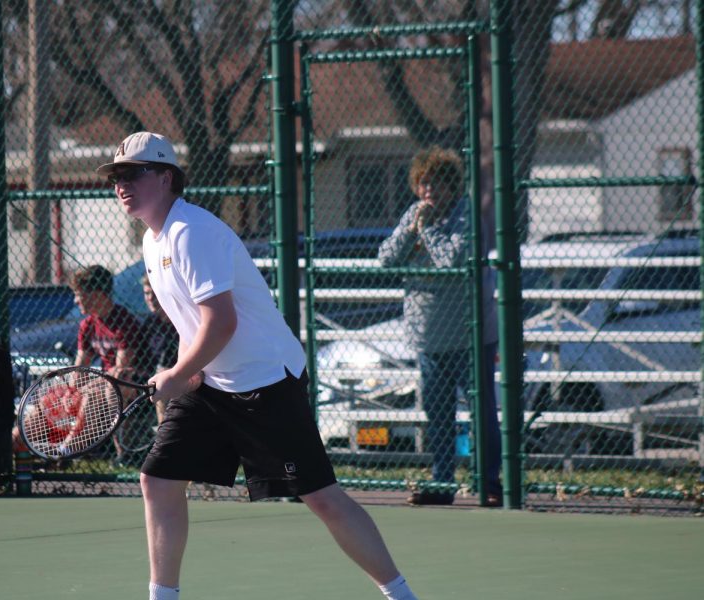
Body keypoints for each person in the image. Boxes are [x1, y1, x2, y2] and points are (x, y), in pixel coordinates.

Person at [97, 131, 420, 600]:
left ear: (166, 178)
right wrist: (189, 370)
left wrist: (174, 374)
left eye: (132, 174)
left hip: (266, 381)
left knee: (322, 497)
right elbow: (194, 322)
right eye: (115, 177)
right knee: (159, 479)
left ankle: (400, 595)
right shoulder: (153, 242)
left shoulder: (192, 234)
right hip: (212, 383)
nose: (121, 185)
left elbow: (222, 321)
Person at [377, 146, 502, 506]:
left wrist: (427, 230)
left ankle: (491, 483)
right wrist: (410, 229)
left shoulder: (467, 218)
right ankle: (442, 484)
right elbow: (385, 259)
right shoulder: (414, 214)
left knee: (483, 413)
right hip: (428, 339)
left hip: (470, 336)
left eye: (436, 183)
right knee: (439, 416)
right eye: (423, 183)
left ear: (452, 186)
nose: (429, 191)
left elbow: (451, 260)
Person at [12, 265, 142, 457]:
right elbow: (79, 368)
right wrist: (69, 391)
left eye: (79, 294)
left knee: (96, 391)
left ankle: (69, 450)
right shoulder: (88, 325)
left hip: (128, 384)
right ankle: (17, 442)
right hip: (100, 381)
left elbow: (121, 370)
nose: (75, 300)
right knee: (53, 396)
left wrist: (85, 386)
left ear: (97, 294)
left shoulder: (124, 321)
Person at [136, 274, 180, 425]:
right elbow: (142, 360)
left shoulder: (180, 320)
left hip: (178, 376)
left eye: (154, 293)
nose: (150, 298)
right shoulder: (149, 323)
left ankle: (162, 435)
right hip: (152, 377)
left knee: (161, 385)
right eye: (147, 293)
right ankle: (120, 448)